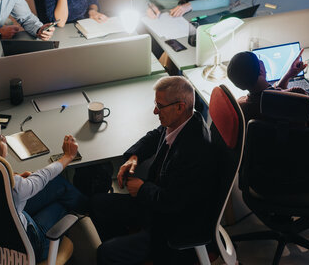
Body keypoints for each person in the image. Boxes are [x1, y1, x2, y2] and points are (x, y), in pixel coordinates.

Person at [90, 76, 217, 265]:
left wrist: (142, 189)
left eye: (160, 105)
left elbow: (174, 203)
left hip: (171, 225)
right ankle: (128, 245)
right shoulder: (184, 120)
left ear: (180, 106)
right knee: (96, 204)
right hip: (155, 205)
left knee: (106, 253)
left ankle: (135, 250)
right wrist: (134, 157)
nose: (155, 111)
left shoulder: (194, 151)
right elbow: (155, 135)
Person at [0, 121, 88, 262]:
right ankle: (88, 214)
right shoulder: (15, 188)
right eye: (1, 139)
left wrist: (16, 177)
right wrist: (68, 156)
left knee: (58, 184)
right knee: (63, 202)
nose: (5, 139)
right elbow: (43, 176)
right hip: (29, 249)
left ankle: (87, 208)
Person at [227, 49, 309, 174]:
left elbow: (269, 98)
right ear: (260, 70)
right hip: (303, 177)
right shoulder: (299, 98)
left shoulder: (239, 107)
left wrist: (287, 76)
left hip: (263, 178)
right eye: (259, 60)